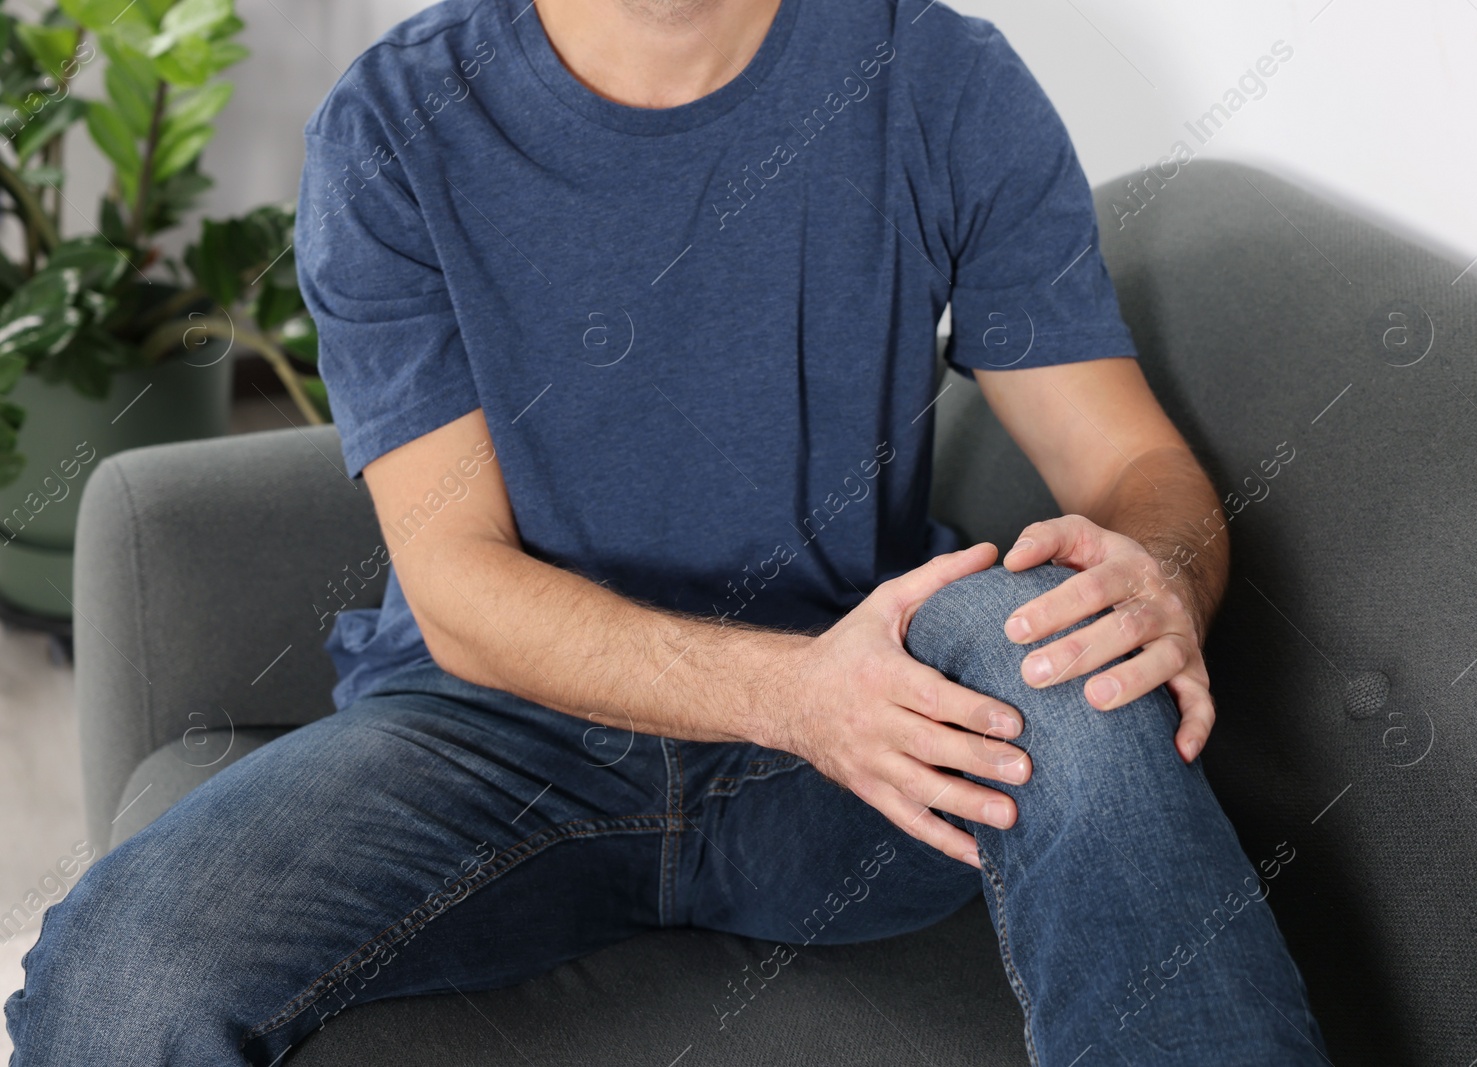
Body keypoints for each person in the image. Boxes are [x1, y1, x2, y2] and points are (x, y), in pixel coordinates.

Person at [5, 0, 1329, 1062]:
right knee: (118, 971)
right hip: (493, 739)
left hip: (865, 743)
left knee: (1063, 637)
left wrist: (1156, 574)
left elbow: (1128, 460)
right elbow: (459, 588)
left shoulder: (940, 80)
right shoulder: (396, 125)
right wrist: (789, 696)